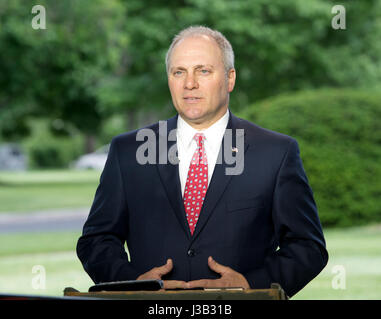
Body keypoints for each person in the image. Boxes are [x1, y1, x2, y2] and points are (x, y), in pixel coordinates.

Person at [76, 26, 328, 297]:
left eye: (203, 71)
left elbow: (307, 247)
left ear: (230, 79)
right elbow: (96, 241)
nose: (190, 84)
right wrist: (134, 283)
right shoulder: (128, 151)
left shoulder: (276, 152)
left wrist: (251, 285)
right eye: (179, 72)